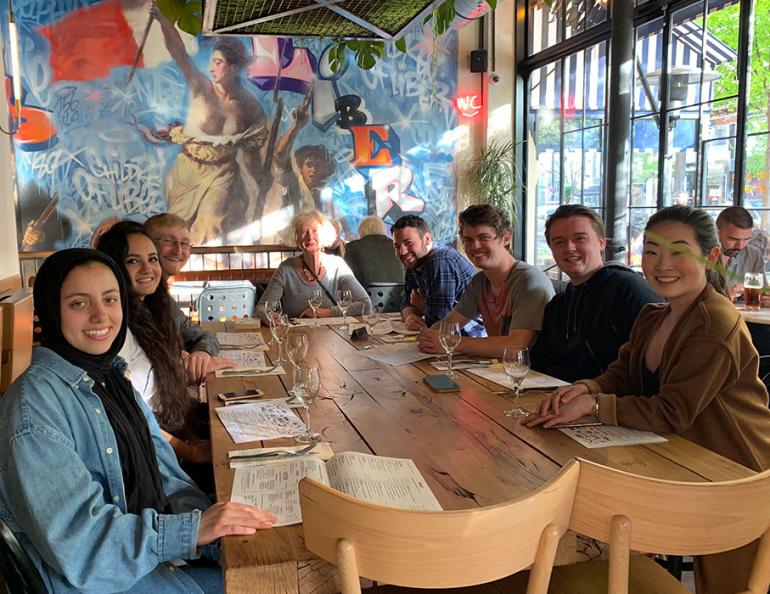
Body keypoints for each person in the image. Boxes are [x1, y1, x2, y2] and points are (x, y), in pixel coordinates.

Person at [525, 205, 770, 594]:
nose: (662, 263)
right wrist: (587, 388)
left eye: (678, 250)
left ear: (709, 257)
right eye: (652, 251)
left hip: (735, 471)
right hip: (683, 462)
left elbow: (672, 411)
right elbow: (622, 374)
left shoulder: (714, 322)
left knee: (729, 585)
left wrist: (594, 405)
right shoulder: (654, 315)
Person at [0, 248, 275, 593]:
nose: (101, 316)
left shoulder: (112, 378)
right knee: (275, 583)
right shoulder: (35, 407)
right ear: (51, 311)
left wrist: (215, 534)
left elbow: (167, 480)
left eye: (110, 299)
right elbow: (82, 547)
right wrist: (192, 531)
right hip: (104, 583)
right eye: (79, 303)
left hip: (155, 560)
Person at [97, 222, 230, 485]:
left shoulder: (155, 307)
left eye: (152, 259)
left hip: (174, 430)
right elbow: (130, 419)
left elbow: (153, 384)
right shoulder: (113, 329)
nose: (148, 269)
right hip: (157, 458)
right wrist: (191, 451)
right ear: (112, 267)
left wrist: (196, 364)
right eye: (133, 261)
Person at [151, 3, 269, 245]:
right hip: (188, 169)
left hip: (221, 172)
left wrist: (260, 183)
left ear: (234, 67)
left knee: (209, 225)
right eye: (212, 61)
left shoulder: (249, 106)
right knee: (173, 229)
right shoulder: (200, 87)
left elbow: (251, 153)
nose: (211, 67)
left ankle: (204, 275)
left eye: (218, 62)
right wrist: (162, 19)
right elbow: (179, 52)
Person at [530, 205, 662, 382]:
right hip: (563, 400)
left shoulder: (628, 289)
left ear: (601, 243)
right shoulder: (558, 306)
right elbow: (539, 363)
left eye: (580, 238)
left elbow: (652, 370)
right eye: (559, 242)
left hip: (613, 404)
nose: (569, 248)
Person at [417, 205, 554, 357]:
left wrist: (451, 342)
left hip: (536, 376)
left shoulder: (529, 281)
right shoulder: (480, 281)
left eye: (484, 238)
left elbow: (517, 345)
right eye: (468, 240)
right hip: (498, 371)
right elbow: (448, 324)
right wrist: (428, 336)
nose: (475, 246)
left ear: (506, 238)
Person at [145, 212, 226, 383]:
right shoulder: (135, 301)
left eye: (185, 243)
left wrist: (201, 354)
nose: (178, 250)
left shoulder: (164, 299)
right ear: (147, 245)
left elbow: (205, 336)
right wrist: (183, 365)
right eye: (168, 241)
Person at [256, 210, 371, 320]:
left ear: (324, 235)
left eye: (315, 230)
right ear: (297, 239)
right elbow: (261, 309)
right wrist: (273, 318)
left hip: (333, 337)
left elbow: (365, 305)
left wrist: (326, 312)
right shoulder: (286, 269)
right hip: (298, 337)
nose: (310, 237)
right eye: (304, 231)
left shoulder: (337, 266)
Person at [392, 214, 477, 331]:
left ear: (427, 239)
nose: (402, 252)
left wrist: (422, 307)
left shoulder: (440, 261)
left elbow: (440, 321)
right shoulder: (415, 261)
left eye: (408, 243)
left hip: (470, 336)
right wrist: (410, 317)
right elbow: (406, 300)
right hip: (446, 336)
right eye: (397, 246)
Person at [716, 205, 764, 298]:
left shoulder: (753, 255)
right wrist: (726, 296)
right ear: (717, 233)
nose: (740, 246)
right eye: (733, 239)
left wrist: (764, 296)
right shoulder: (702, 254)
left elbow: (760, 293)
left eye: (746, 239)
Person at [344, 215, 405, 286]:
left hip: (365, 294)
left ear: (361, 229)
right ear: (383, 229)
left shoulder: (351, 247)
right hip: (398, 293)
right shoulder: (396, 246)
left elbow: (347, 275)